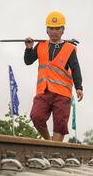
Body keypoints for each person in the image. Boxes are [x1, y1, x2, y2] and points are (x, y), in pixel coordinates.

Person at [24, 11, 83, 142]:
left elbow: (75, 69)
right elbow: (28, 61)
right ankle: (48, 141)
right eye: (51, 28)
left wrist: (79, 87)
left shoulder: (69, 48)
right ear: (47, 30)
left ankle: (55, 150)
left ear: (63, 30)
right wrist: (29, 48)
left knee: (60, 124)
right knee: (36, 116)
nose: (54, 31)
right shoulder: (41, 45)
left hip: (62, 95)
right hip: (43, 92)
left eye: (57, 28)